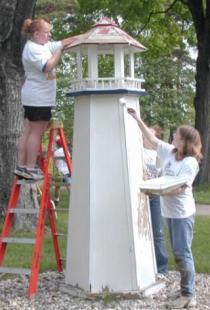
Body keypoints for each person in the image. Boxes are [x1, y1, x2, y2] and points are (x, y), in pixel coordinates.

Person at [127, 108, 202, 309]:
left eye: (177, 135)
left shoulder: (190, 162)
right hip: (170, 212)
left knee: (182, 253)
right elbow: (151, 139)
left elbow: (178, 189)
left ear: (185, 141)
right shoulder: (171, 152)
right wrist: (137, 118)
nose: (174, 136)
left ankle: (188, 295)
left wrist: (155, 191)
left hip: (182, 214)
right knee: (179, 251)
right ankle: (186, 290)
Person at [14, 18, 74, 181]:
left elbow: (62, 42)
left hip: (34, 97)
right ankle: (30, 167)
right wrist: (59, 52)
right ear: (36, 34)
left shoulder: (42, 46)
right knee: (36, 133)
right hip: (39, 99)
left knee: (28, 130)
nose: (50, 35)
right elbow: (48, 66)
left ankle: (21, 165)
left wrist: (84, 36)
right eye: (47, 32)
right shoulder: (33, 49)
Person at [143, 126, 168, 275]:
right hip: (141, 195)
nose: (145, 138)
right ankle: (145, 265)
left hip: (155, 197)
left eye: (149, 136)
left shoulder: (160, 156)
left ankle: (162, 269)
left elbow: (164, 176)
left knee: (157, 233)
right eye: (144, 135)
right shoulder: (137, 151)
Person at [54, 137, 71, 207]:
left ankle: (57, 200)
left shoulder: (56, 152)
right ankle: (73, 199)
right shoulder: (66, 151)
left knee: (57, 187)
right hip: (67, 170)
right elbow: (69, 161)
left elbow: (55, 162)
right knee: (69, 186)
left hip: (59, 172)